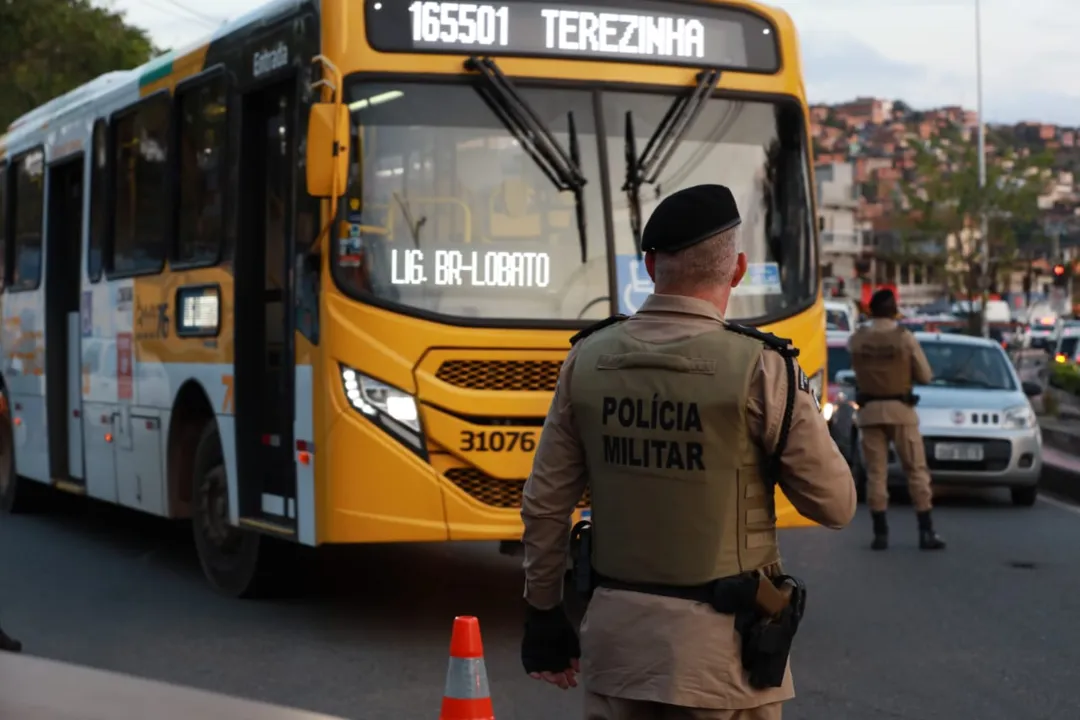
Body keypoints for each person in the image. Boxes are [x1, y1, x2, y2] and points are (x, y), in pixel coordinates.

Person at [520, 184, 857, 720]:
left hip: (617, 648)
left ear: (650, 265)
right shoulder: (764, 368)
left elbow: (544, 503)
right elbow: (835, 505)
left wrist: (542, 614)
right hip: (722, 661)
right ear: (739, 269)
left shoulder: (587, 359)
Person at [848, 288, 945, 551]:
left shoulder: (857, 339)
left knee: (876, 475)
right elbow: (924, 375)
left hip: (869, 411)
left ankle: (880, 534)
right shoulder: (905, 339)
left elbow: (855, 369)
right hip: (901, 411)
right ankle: (926, 531)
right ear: (894, 311)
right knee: (916, 470)